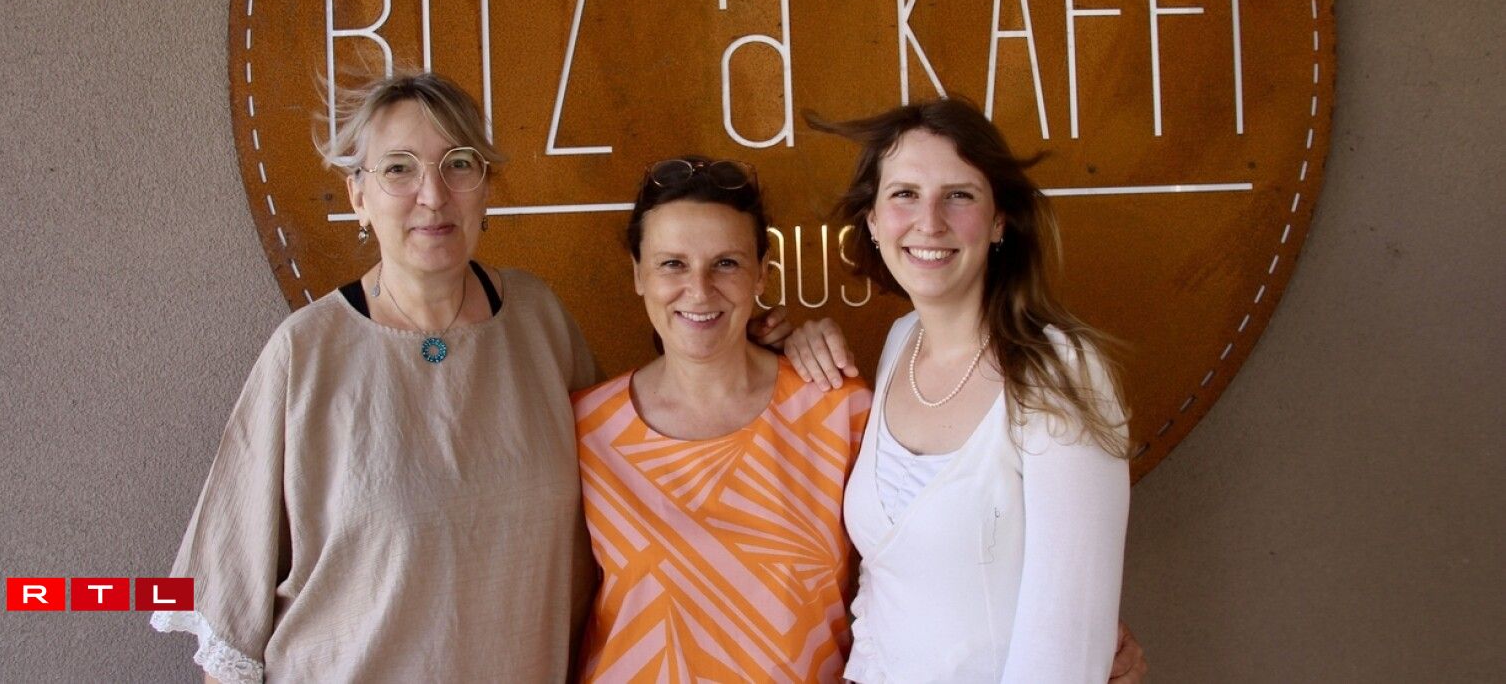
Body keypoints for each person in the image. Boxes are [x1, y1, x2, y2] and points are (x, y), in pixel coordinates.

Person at [151, 73, 599, 681]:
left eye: (458, 164)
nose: (433, 195)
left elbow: (624, 507)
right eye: (398, 169)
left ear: (485, 186)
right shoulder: (305, 352)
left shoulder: (542, 323)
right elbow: (231, 604)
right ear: (358, 196)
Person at [783, 98, 1133, 683]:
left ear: (998, 221)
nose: (930, 221)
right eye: (904, 194)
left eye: (959, 195)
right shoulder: (901, 343)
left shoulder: (1060, 373)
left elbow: (1067, 644)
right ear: (872, 221)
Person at [572, 157, 872, 682]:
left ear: (762, 273)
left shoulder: (837, 409)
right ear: (638, 274)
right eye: (672, 264)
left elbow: (899, 592)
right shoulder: (586, 428)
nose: (700, 289)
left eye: (726, 263)